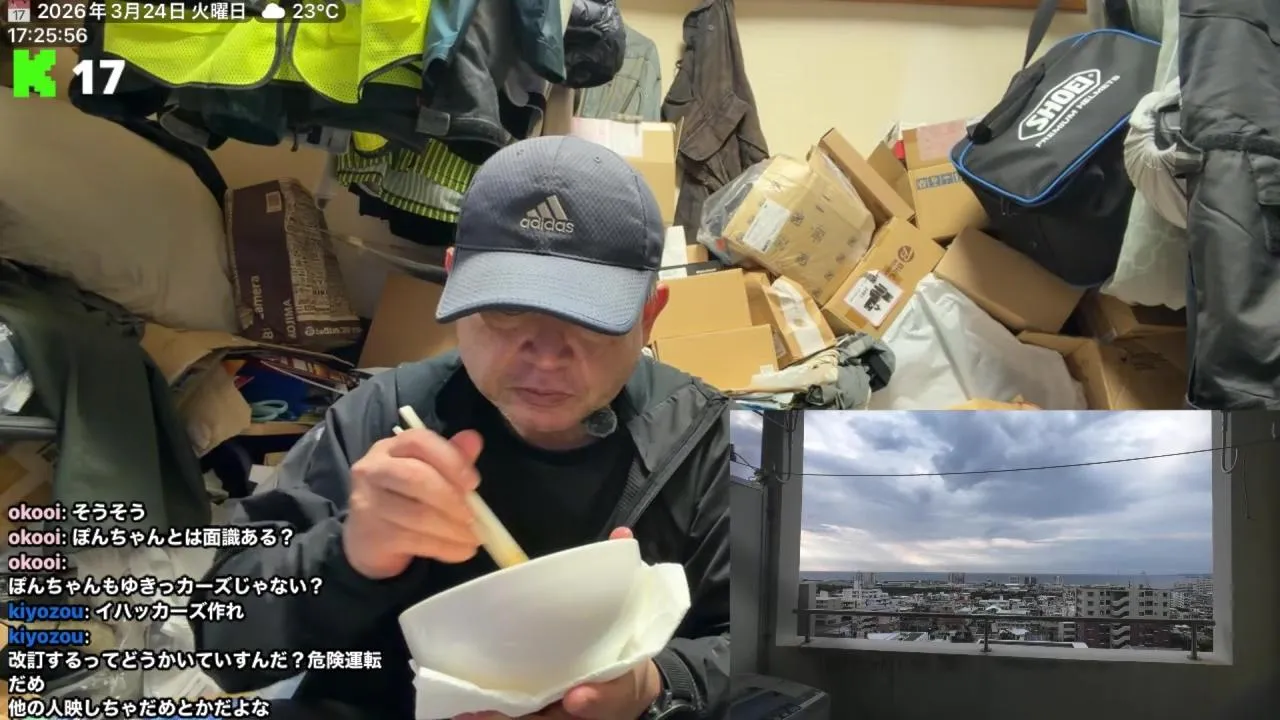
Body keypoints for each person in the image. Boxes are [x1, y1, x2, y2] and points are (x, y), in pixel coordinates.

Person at [191, 135, 731, 720]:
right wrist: (350, 555)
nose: (546, 355)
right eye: (507, 309)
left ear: (650, 314)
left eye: (591, 319)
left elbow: (777, 665)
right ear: (454, 284)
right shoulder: (386, 417)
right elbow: (223, 640)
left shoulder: (704, 443)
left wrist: (655, 687)